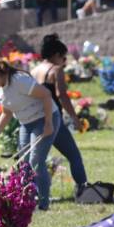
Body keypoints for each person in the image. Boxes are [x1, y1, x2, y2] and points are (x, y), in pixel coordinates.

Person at [0, 60, 60, 210]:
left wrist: (49, 123)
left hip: (43, 119)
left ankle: (44, 204)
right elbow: (6, 113)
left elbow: (46, 94)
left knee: (36, 162)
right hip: (25, 123)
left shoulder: (18, 80)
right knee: (24, 165)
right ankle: (26, 203)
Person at [30, 34, 88, 193]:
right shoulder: (56, 70)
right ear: (56, 55)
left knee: (35, 161)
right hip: (53, 121)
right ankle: (83, 189)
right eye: (63, 58)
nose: (64, 62)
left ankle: (30, 193)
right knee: (74, 156)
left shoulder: (33, 70)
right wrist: (75, 118)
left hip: (35, 120)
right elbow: (62, 96)